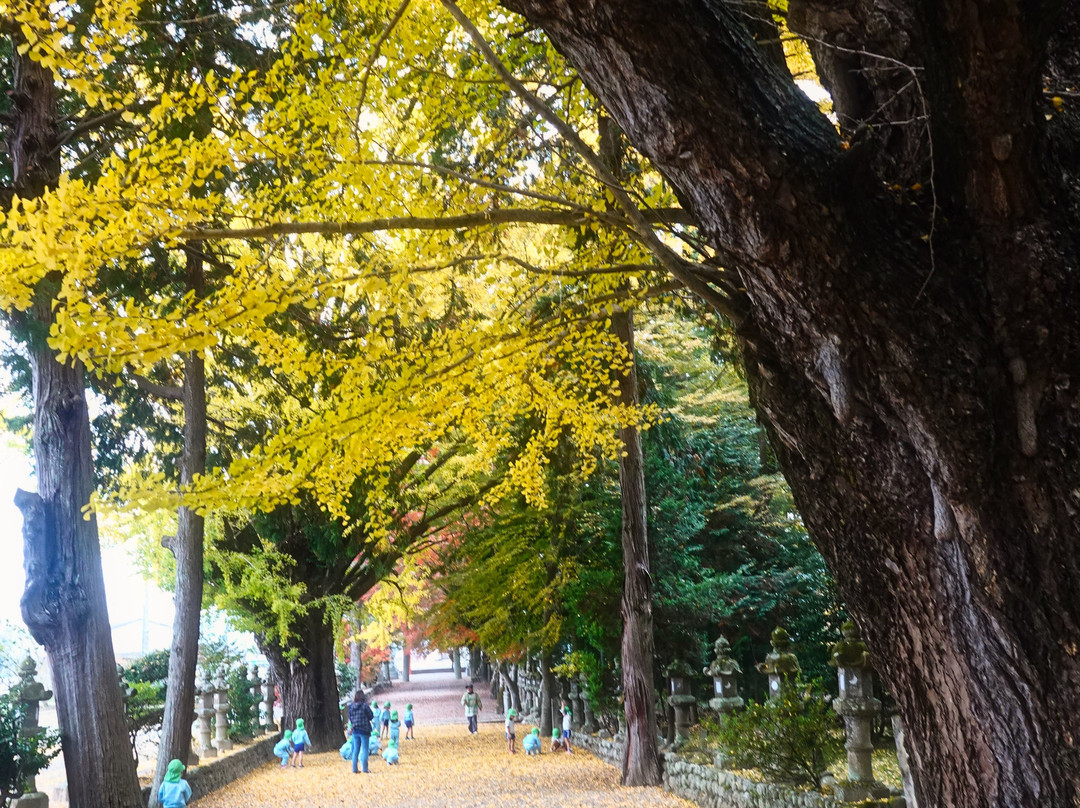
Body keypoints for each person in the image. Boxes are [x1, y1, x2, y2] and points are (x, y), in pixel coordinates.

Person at [346, 690, 374, 774]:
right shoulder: (365, 706)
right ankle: (365, 768)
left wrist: (354, 722)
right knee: (365, 749)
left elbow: (350, 717)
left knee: (355, 750)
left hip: (355, 730)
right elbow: (371, 716)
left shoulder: (351, 706)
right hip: (364, 730)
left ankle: (354, 768)